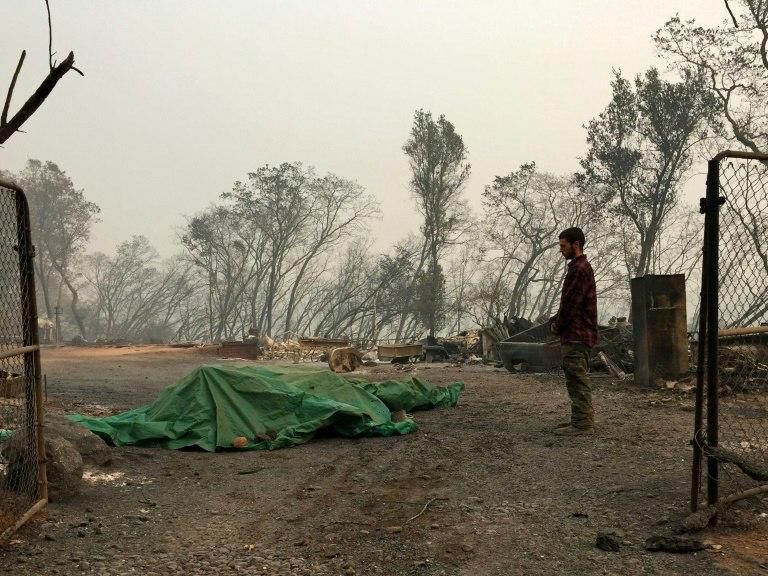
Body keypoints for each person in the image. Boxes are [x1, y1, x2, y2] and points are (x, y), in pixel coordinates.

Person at [549, 227, 598, 436]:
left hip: (576, 335)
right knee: (576, 379)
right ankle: (579, 420)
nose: (561, 250)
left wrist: (557, 326)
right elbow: (568, 303)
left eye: (563, 245)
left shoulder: (579, 269)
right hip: (577, 334)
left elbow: (571, 305)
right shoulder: (579, 268)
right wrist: (556, 319)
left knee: (577, 380)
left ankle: (582, 424)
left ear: (575, 244)